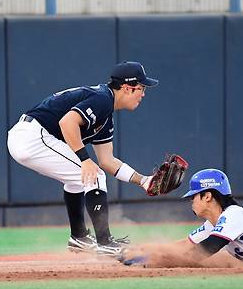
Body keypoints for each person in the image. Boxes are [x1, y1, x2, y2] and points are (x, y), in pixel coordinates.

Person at [8, 61, 158, 256]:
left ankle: (78, 237)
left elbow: (107, 161)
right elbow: (67, 122)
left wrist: (144, 181)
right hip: (32, 135)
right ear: (127, 88)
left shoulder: (105, 114)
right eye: (141, 88)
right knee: (93, 175)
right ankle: (105, 242)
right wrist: (85, 160)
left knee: (80, 179)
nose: (143, 94)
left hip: (30, 137)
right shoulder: (103, 98)